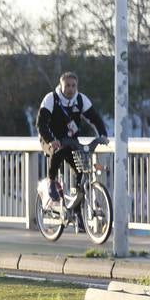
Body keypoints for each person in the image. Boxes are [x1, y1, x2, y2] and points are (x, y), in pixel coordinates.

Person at [36, 71, 108, 203]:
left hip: (71, 140)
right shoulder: (51, 99)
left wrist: (102, 135)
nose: (71, 89)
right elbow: (41, 124)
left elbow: (95, 119)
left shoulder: (80, 99)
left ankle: (77, 204)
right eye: (67, 85)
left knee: (81, 167)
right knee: (58, 150)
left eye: (73, 85)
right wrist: (51, 140)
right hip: (50, 138)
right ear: (61, 86)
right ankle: (51, 181)